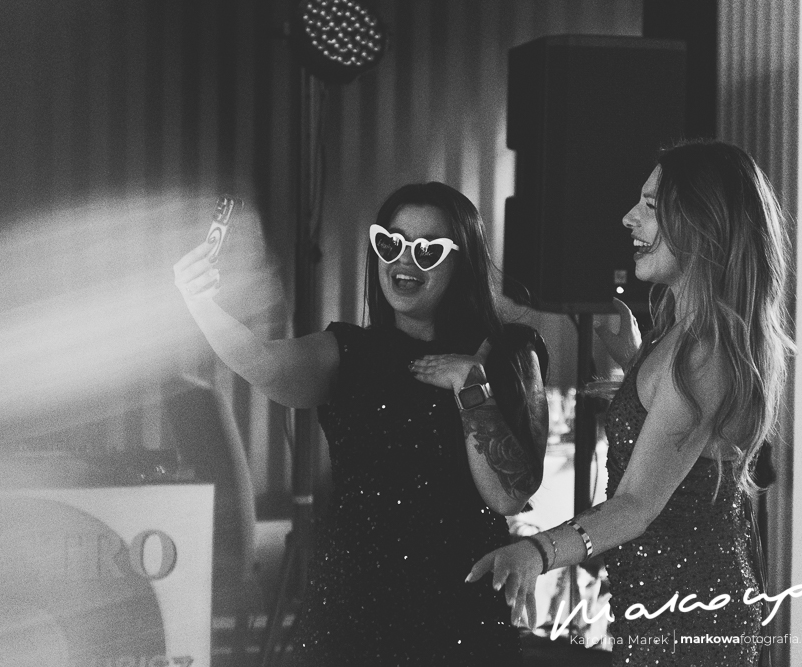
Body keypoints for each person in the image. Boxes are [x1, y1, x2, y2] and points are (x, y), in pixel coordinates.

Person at [174, 182, 548, 664]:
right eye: (391, 244)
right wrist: (199, 304)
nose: (404, 260)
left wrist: (470, 385)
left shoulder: (508, 350)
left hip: (459, 604)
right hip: (352, 605)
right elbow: (263, 364)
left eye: (428, 250)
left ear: (463, 262)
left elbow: (508, 495)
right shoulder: (349, 351)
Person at [467, 140, 793, 667]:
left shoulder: (703, 353)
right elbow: (676, 433)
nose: (628, 218)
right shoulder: (684, 336)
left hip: (688, 620)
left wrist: (536, 552)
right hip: (662, 604)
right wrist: (636, 362)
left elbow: (637, 504)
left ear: (703, 224)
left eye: (650, 205)